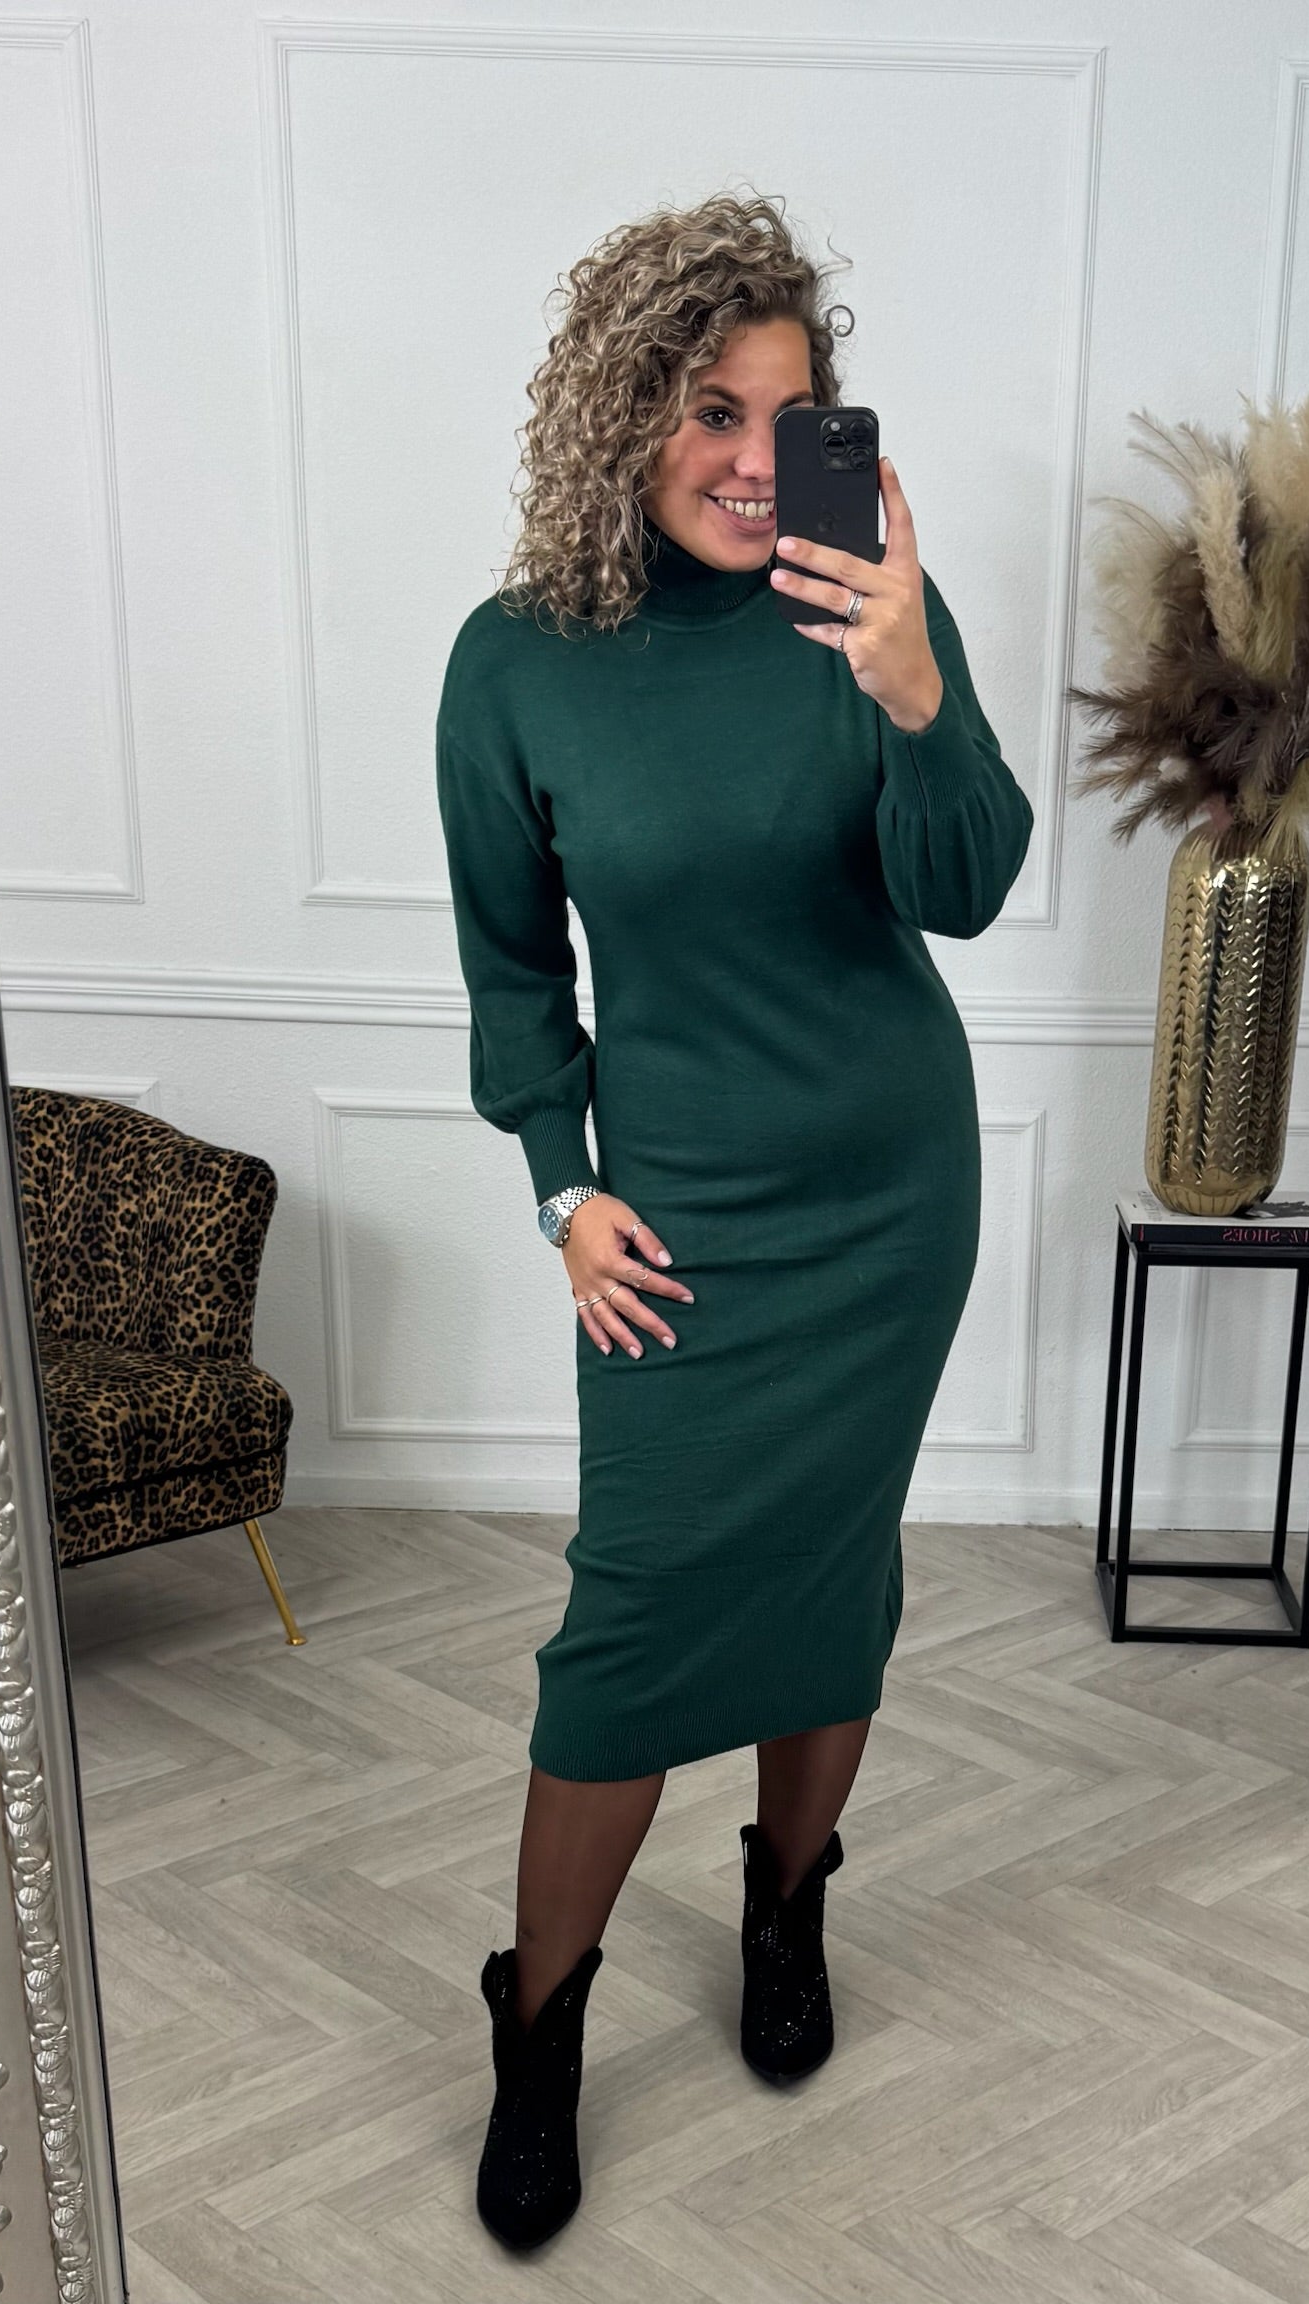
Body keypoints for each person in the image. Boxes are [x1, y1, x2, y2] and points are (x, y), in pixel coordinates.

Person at [435, 189, 1034, 2250]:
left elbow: (967, 886)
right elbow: (516, 975)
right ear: (625, 417)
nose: (759, 462)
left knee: (830, 1581)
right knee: (629, 1630)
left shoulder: (868, 610)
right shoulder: (517, 666)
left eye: (794, 418)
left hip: (889, 1198)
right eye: (712, 412)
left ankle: (787, 1908)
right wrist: (563, 1185)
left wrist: (913, 687)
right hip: (680, 1223)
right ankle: (538, 2021)